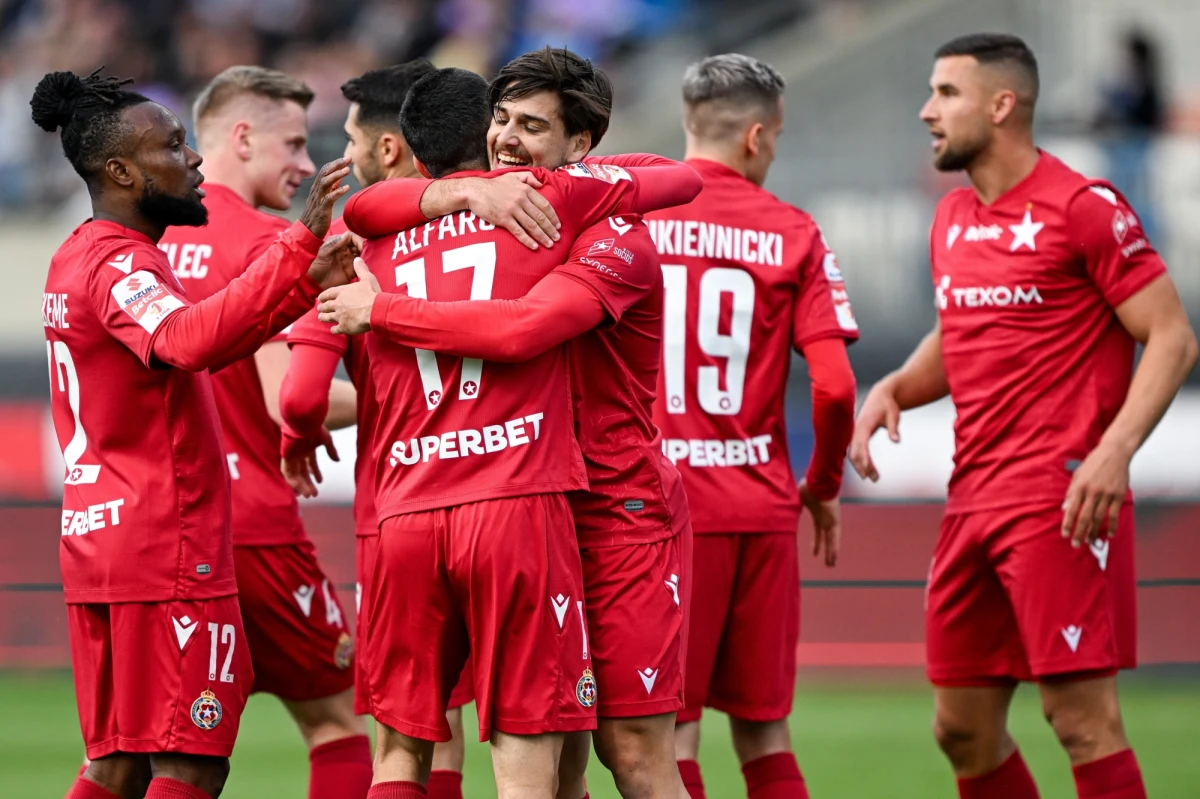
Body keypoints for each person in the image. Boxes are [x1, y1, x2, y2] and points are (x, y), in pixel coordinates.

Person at [316, 46, 698, 799]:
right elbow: (364, 206)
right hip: (532, 502)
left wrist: (380, 310)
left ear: (580, 147)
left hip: (615, 511)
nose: (506, 139)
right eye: (500, 119)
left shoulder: (609, 232)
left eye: (530, 124)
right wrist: (455, 198)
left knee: (633, 750)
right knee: (556, 761)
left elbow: (523, 328)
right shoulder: (494, 216)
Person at [850, 34, 1198, 799]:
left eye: (945, 94)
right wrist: (898, 386)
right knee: (961, 727)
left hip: (1059, 495)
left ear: (1001, 105)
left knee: (1079, 719)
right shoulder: (951, 218)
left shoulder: (1083, 208)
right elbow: (962, 326)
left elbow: (1171, 335)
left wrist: (1114, 452)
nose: (926, 111)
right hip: (971, 494)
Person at [33, 68, 356, 799]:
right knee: (192, 757)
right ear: (121, 170)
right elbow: (186, 340)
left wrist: (299, 280)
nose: (194, 159)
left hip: (100, 538)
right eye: (173, 147)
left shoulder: (74, 254)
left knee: (115, 763)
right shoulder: (121, 262)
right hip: (165, 544)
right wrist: (299, 245)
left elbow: (203, 337)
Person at [636, 54, 860, 799]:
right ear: (758, 136)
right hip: (759, 503)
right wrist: (821, 484)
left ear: (688, 124)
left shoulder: (635, 217)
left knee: (672, 731)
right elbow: (832, 386)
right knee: (765, 731)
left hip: (660, 507)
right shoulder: (793, 230)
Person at [158, 65, 370, 799]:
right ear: (240, 137)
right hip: (246, 517)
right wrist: (406, 401)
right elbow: (289, 399)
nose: (308, 164)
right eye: (293, 143)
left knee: (151, 751)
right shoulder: (267, 243)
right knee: (341, 720)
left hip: (154, 526)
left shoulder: (136, 238)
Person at [278, 59, 476, 799]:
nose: (346, 154)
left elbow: (298, 397)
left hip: (401, 510)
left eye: (354, 139)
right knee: (542, 745)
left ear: (390, 150)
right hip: (520, 503)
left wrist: (305, 432)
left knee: (411, 740)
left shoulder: (353, 245)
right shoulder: (520, 221)